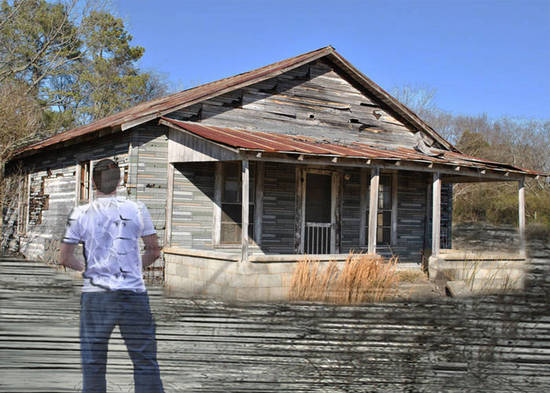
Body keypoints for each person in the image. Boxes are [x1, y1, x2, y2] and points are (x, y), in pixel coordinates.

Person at [60, 158, 165, 393]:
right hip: (133, 293)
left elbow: (65, 257)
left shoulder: (80, 213)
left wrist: (86, 271)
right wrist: (131, 270)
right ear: (119, 181)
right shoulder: (137, 209)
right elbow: (154, 250)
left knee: (93, 363)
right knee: (145, 361)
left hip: (97, 295)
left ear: (93, 183)